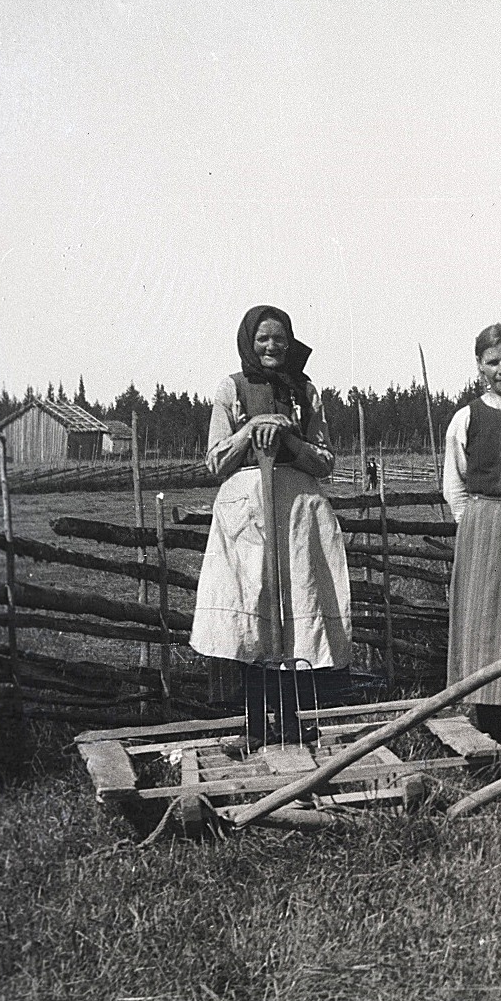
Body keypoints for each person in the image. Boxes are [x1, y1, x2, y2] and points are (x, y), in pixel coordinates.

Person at [191, 305, 352, 743]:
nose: (272, 346)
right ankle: (255, 725)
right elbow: (215, 461)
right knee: (253, 610)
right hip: (247, 510)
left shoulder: (305, 390)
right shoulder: (232, 388)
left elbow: (326, 461)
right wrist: (253, 428)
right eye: (262, 338)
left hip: (298, 511)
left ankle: (295, 721)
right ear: (248, 341)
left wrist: (289, 437)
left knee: (298, 608)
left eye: (279, 338)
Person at [442, 323, 501, 742]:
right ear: (479, 366)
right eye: (492, 362)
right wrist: (474, 525)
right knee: (486, 624)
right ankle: (488, 730)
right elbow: (454, 482)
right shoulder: (467, 416)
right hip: (486, 524)